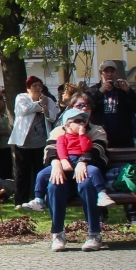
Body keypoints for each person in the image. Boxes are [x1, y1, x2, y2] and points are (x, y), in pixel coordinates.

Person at [44, 107, 109, 252]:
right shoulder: (59, 131)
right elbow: (51, 149)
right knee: (54, 185)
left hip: (85, 175)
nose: (82, 120)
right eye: (78, 106)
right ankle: (57, 234)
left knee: (86, 185)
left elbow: (97, 150)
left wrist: (83, 161)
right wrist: (56, 163)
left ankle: (94, 234)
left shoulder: (96, 131)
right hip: (65, 176)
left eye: (86, 107)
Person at [86, 60, 136, 224]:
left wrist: (129, 92)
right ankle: (100, 215)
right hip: (100, 143)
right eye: (106, 71)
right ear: (101, 73)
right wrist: (99, 93)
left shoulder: (122, 90)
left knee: (129, 176)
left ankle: (133, 216)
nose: (109, 74)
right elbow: (84, 107)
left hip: (124, 141)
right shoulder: (93, 91)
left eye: (112, 71)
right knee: (97, 176)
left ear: (116, 73)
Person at [10, 76, 58, 208]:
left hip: (41, 143)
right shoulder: (21, 98)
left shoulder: (48, 100)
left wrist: (46, 110)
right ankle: (20, 201)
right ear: (28, 88)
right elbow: (24, 110)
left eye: (39, 86)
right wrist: (39, 104)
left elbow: (54, 117)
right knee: (22, 173)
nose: (37, 88)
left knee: (40, 172)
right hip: (24, 143)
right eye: (34, 86)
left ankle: (40, 200)